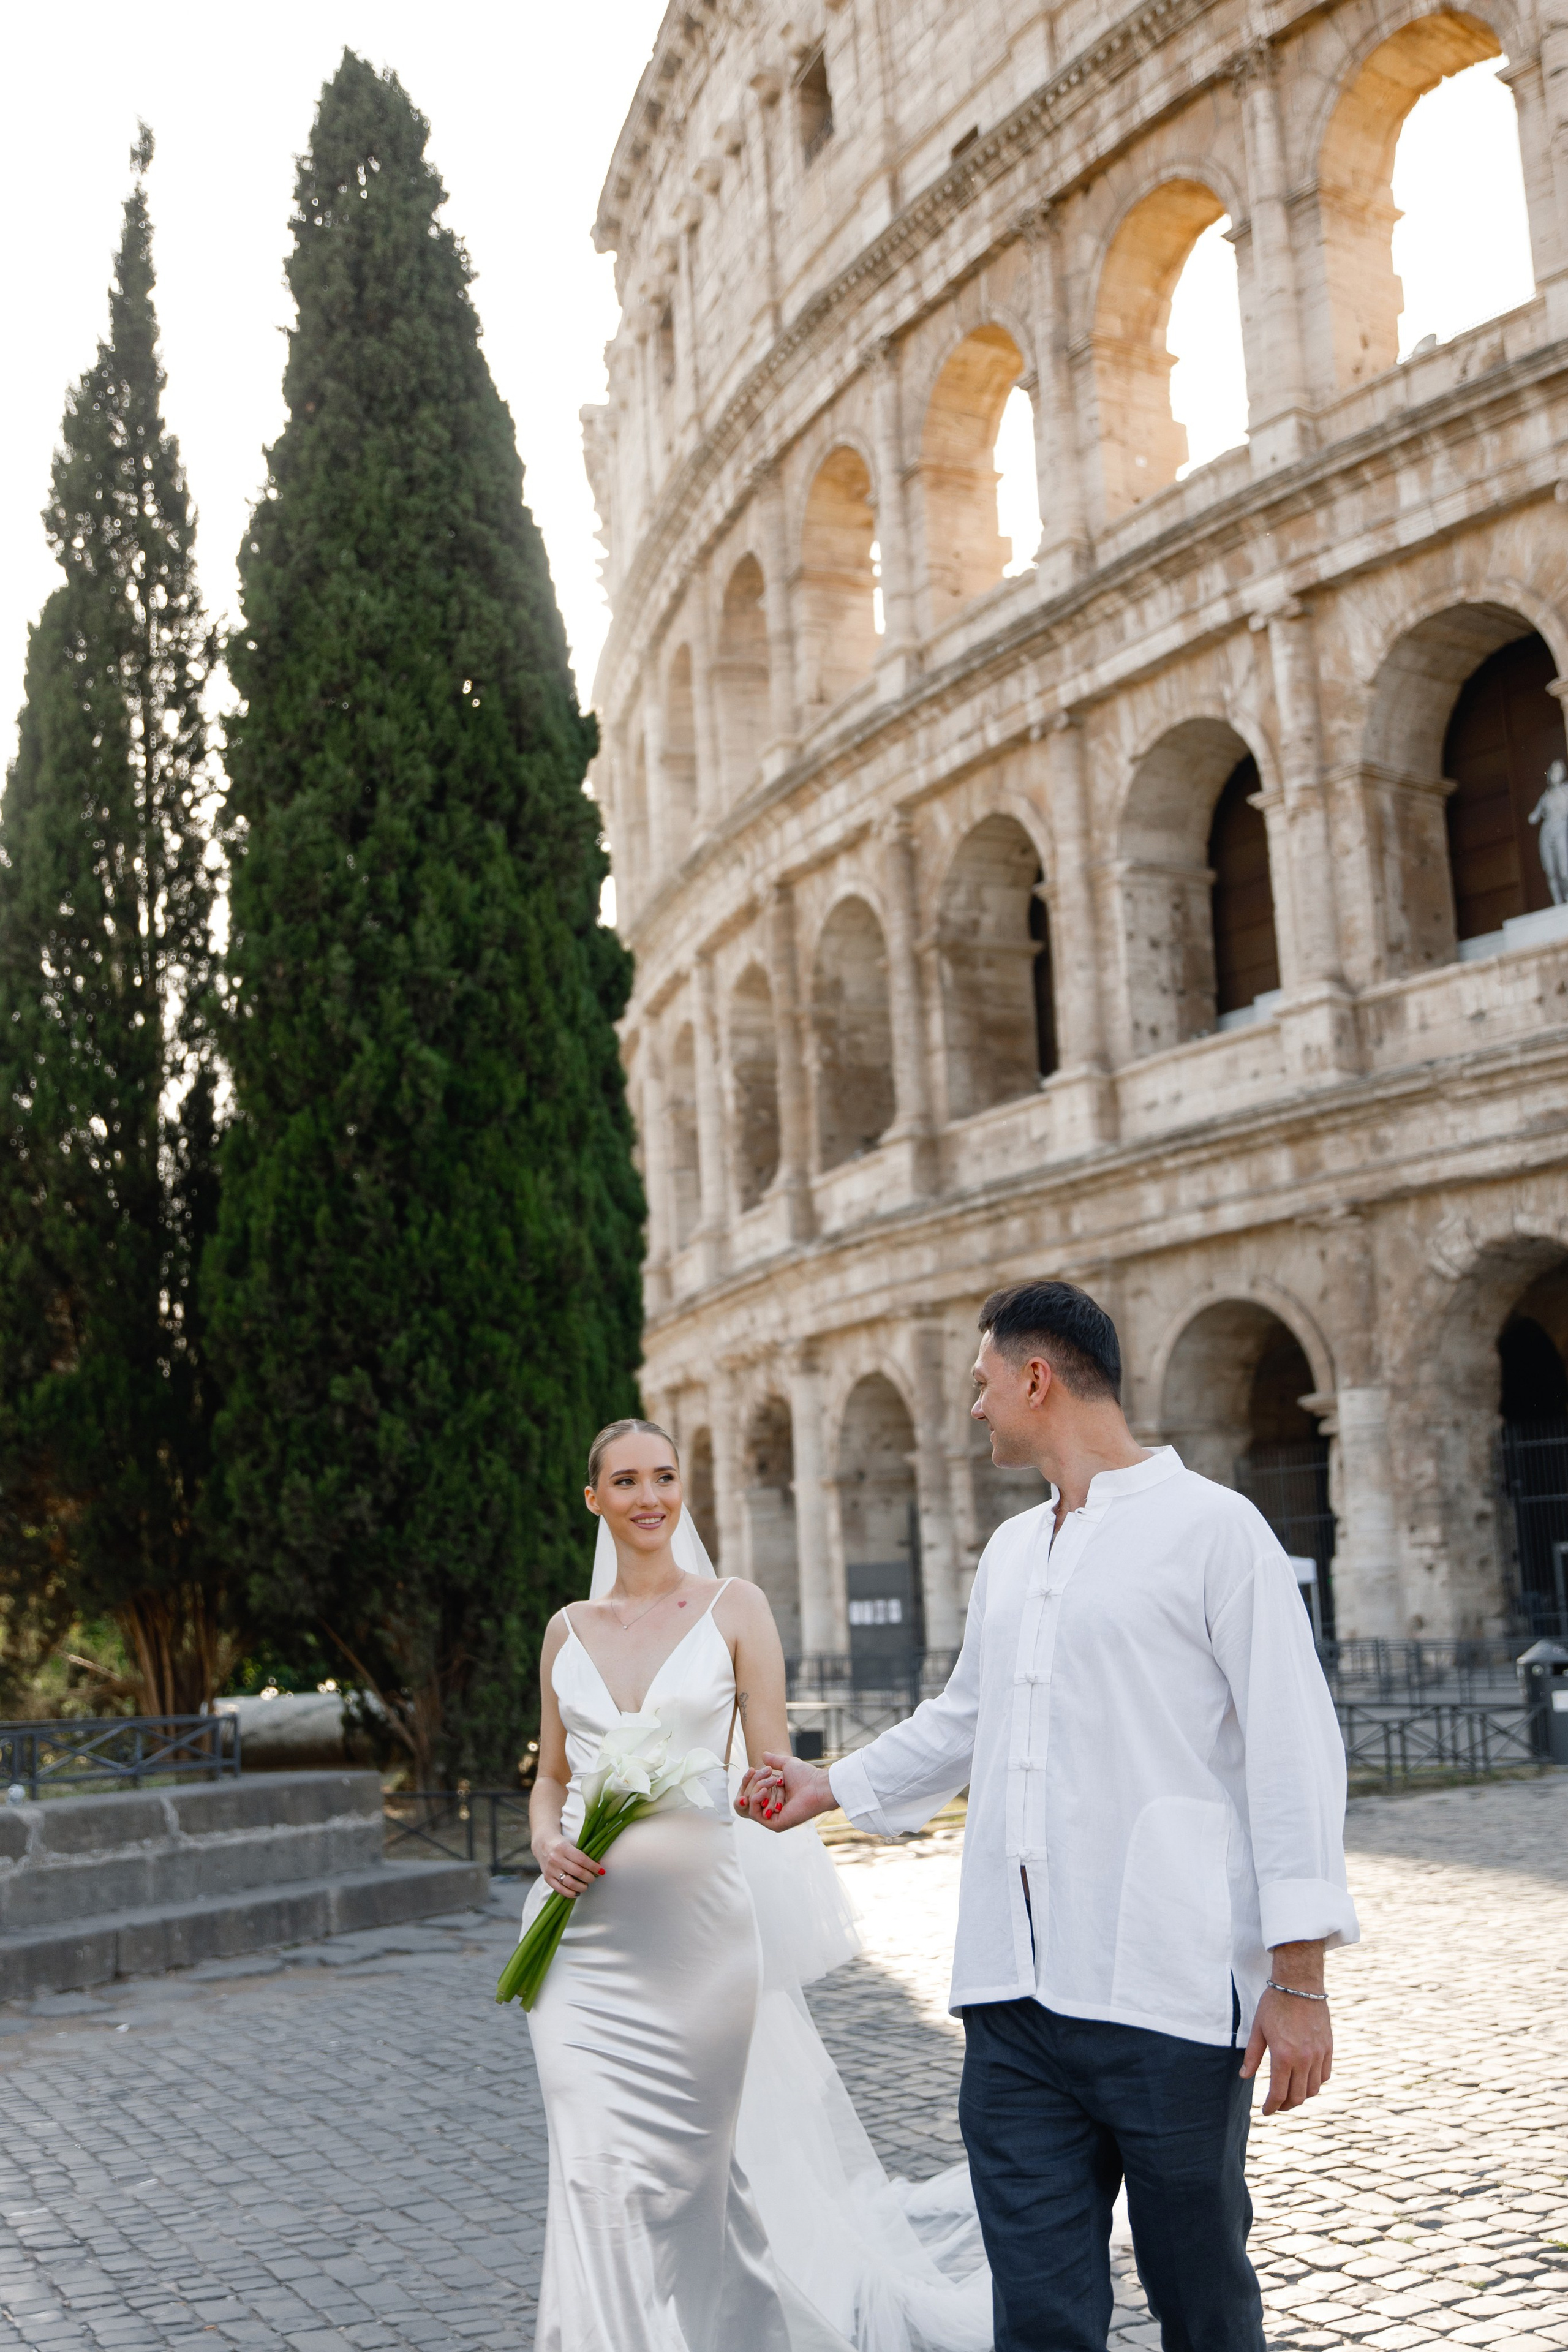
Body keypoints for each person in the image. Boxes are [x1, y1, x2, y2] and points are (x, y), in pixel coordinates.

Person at [742, 1281, 1359, 2352]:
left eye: (983, 1384)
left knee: (1202, 2301)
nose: (974, 1407)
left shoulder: (1217, 1531)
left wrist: (1297, 1978)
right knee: (1036, 2315)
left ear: (1037, 1379)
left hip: (1166, 1988)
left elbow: (1293, 1752)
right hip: (1013, 2002)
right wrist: (827, 1785)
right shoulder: (1014, 1551)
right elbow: (964, 1716)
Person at [519, 1416, 993, 2352]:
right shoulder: (564, 1631)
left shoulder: (736, 1609)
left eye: (664, 1477)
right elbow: (551, 1777)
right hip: (579, 1942)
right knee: (590, 2167)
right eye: (626, 1481)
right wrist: (544, 1841)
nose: (649, 1497)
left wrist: (765, 1790)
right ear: (594, 1498)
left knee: (691, 2177)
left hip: (701, 1941)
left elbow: (771, 1762)